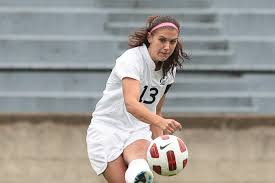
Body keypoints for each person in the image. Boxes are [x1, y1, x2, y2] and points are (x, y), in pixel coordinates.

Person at [86, 15, 189, 183]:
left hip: (137, 129)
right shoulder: (132, 59)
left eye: (172, 42)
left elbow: (156, 109)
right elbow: (131, 104)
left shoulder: (169, 70)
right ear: (149, 37)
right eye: (162, 40)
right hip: (107, 128)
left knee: (139, 166)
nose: (167, 47)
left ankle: (139, 172)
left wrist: (160, 143)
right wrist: (161, 122)